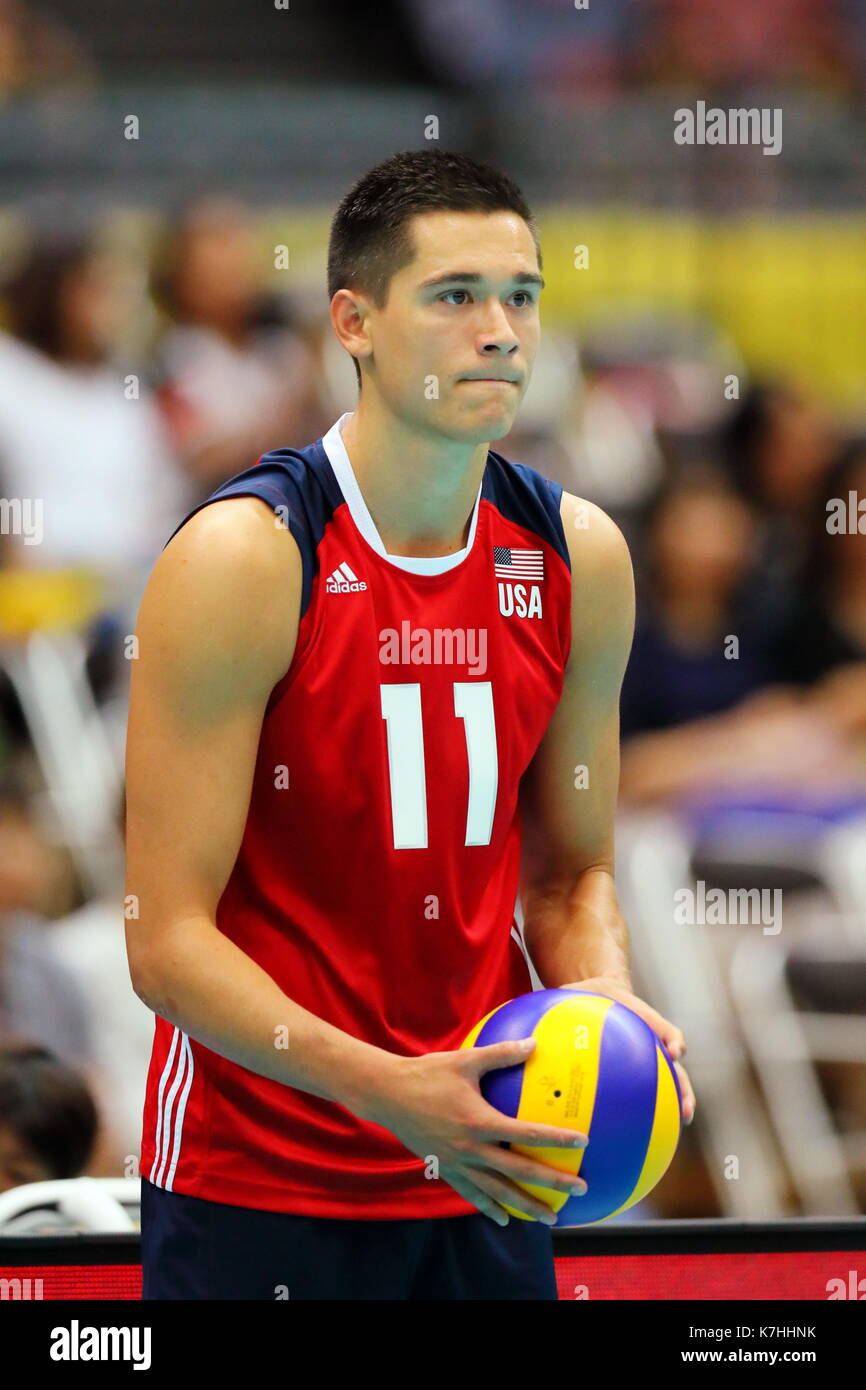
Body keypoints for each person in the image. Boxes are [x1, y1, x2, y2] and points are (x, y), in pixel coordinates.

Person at [125, 148, 695, 1302]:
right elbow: (165, 941)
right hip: (260, 1181)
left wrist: (599, 1002)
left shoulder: (577, 556)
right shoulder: (247, 556)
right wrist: (392, 1091)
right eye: (454, 297)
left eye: (521, 297)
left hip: (486, 1164)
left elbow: (572, 872)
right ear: (355, 321)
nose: (499, 331)